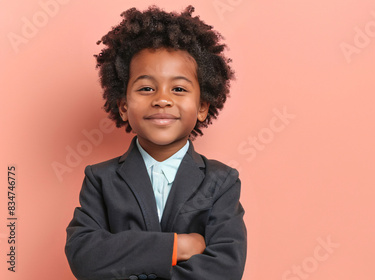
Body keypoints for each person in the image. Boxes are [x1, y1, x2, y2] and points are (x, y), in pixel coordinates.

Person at [65, 5, 246, 280]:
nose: (162, 99)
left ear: (202, 107)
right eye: (147, 88)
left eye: (179, 89)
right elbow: (85, 255)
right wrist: (176, 246)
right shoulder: (100, 179)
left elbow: (225, 268)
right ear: (124, 106)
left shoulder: (222, 181)